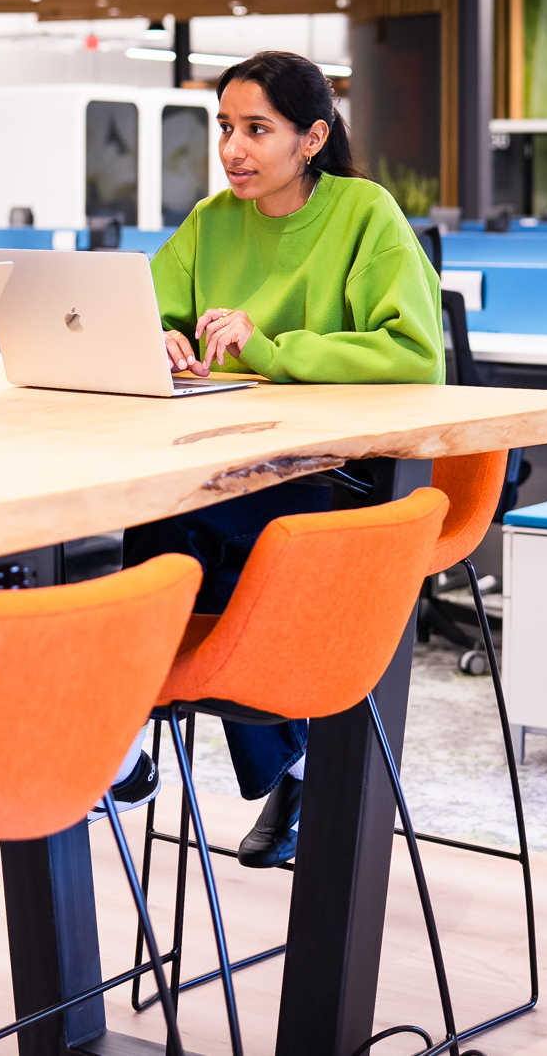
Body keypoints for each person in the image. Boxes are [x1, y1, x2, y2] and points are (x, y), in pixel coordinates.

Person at [126, 49, 442, 869]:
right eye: (225, 127)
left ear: (311, 138)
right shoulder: (209, 221)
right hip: (230, 458)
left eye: (256, 129)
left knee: (199, 527)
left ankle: (121, 722)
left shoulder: (364, 214)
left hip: (333, 476)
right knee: (164, 518)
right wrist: (154, 334)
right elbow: (139, 306)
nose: (233, 148)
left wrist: (271, 348)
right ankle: (254, 752)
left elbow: (414, 354)